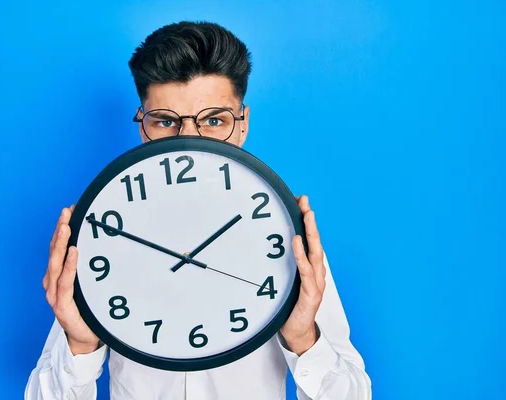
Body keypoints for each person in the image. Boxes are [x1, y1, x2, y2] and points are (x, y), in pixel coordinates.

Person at [25, 21, 372, 400]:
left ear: (242, 125)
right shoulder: (104, 233)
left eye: (213, 121)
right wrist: (79, 344)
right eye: (165, 121)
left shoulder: (283, 233)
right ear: (143, 127)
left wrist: (305, 339)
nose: (189, 140)